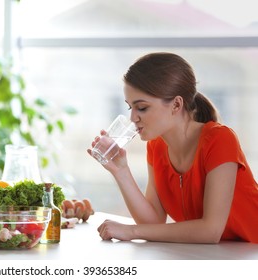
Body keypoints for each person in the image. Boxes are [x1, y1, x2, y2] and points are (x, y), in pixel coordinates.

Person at [88, 52, 258, 243]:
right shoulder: (156, 146)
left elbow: (210, 231)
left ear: (176, 105)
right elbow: (152, 224)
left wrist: (131, 231)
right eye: (130, 108)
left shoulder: (220, 139)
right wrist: (121, 171)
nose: (133, 118)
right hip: (217, 258)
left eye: (142, 108)